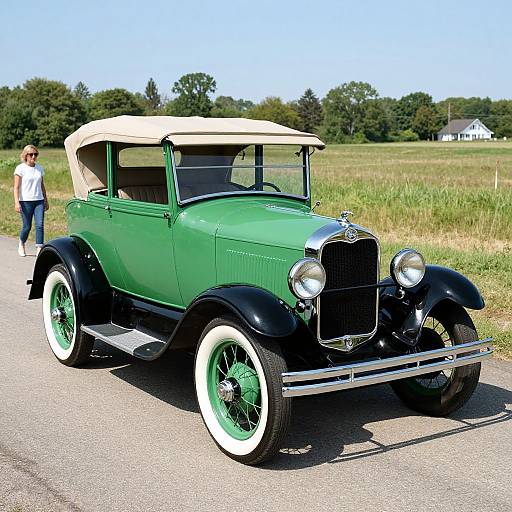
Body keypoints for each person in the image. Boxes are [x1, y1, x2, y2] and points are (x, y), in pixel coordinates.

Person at [13, 145, 49, 257]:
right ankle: (21, 243)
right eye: (31, 154)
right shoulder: (20, 168)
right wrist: (16, 202)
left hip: (39, 200)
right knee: (27, 226)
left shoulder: (39, 168)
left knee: (39, 225)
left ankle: (39, 249)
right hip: (25, 202)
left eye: (35, 154)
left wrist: (46, 199)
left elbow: (42, 185)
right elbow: (16, 187)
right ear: (25, 155)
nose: (33, 156)